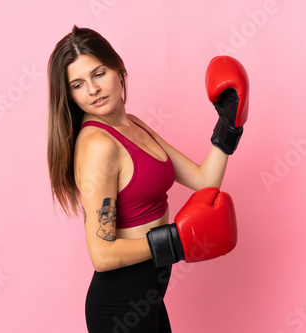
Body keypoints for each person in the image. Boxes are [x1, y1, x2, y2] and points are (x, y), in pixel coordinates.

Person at [47, 25, 248, 333]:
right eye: (77, 84)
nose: (92, 89)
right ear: (70, 96)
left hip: (148, 298)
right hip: (119, 306)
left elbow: (204, 181)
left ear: (118, 70)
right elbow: (102, 255)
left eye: (98, 74)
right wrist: (177, 240)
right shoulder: (98, 146)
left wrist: (228, 124)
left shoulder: (133, 125)